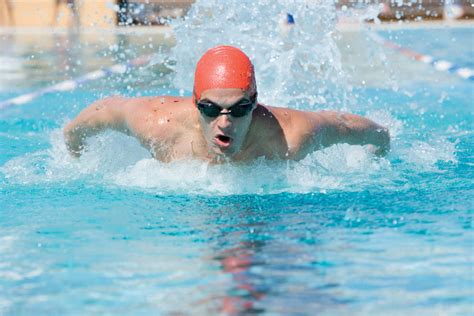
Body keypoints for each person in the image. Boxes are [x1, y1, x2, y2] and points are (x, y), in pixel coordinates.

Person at [64, 45, 390, 163]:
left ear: (254, 103)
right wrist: (74, 148)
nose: (224, 122)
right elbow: (105, 111)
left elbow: (352, 127)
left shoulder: (290, 137)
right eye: (210, 109)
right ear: (194, 103)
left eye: (238, 109)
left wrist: (380, 152)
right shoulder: (157, 125)